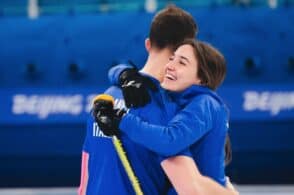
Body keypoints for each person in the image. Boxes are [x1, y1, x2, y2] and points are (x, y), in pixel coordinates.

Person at [80, 5, 238, 195]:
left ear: (148, 44)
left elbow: (84, 182)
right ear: (182, 48)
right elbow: (190, 187)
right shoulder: (164, 109)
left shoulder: (105, 99)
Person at [95, 39, 232, 191]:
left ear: (202, 79)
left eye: (182, 63)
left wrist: (121, 120)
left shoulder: (205, 103)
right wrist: (126, 75)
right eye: (172, 58)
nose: (169, 66)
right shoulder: (178, 99)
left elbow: (170, 140)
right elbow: (114, 70)